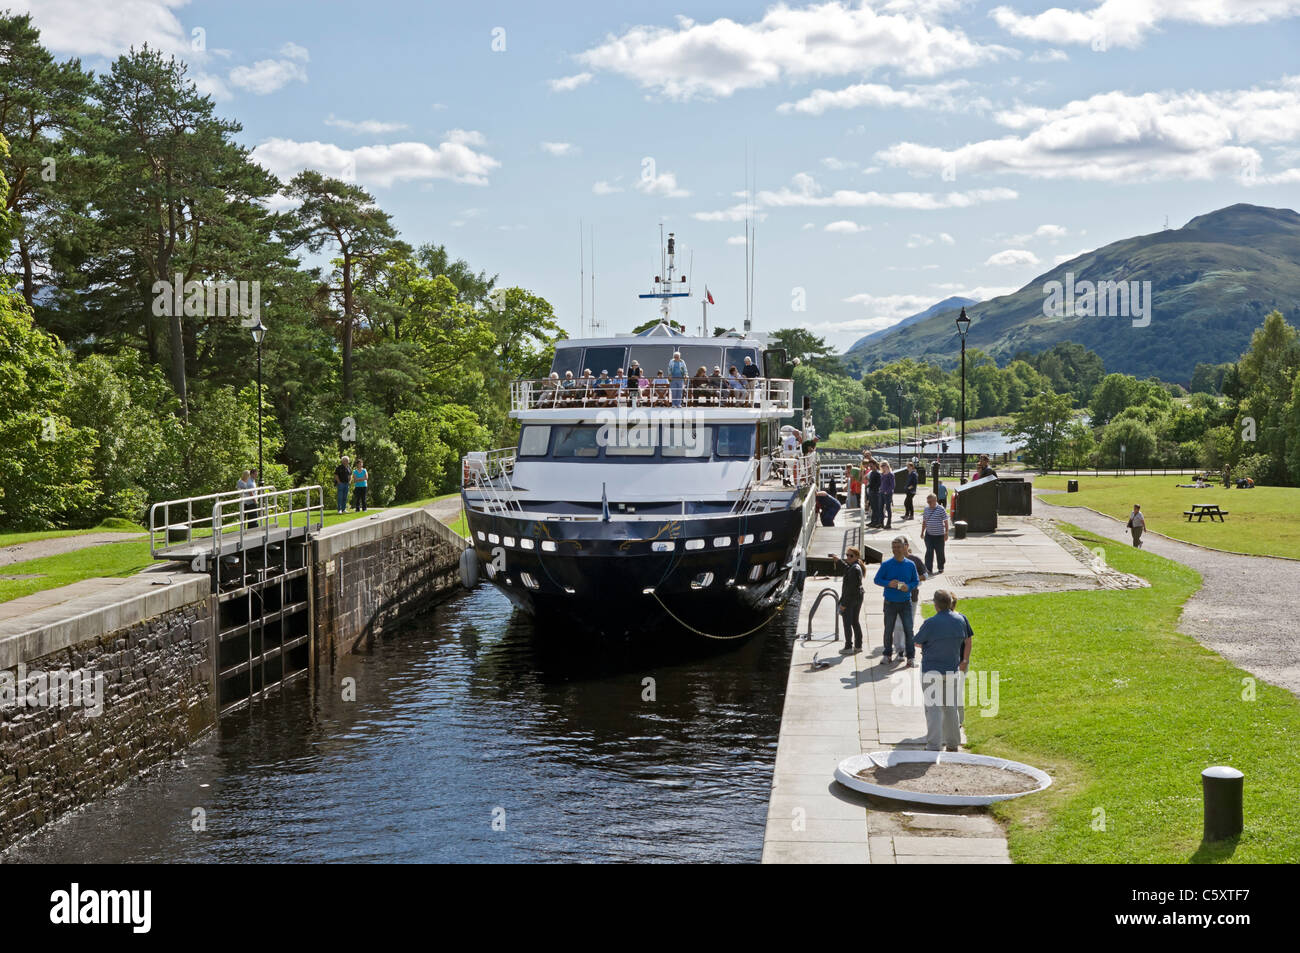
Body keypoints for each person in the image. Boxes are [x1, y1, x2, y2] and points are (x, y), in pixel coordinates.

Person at [913, 589, 972, 752]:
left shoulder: (931, 623)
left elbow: (917, 641)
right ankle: (953, 744)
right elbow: (966, 639)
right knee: (951, 708)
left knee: (933, 709)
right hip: (951, 670)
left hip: (931, 670)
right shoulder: (961, 619)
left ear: (936, 605)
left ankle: (933, 745)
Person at [874, 535, 921, 665]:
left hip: (906, 602)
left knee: (908, 629)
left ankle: (910, 657)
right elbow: (877, 580)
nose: (896, 549)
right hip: (890, 602)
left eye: (898, 547)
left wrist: (909, 587)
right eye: (894, 547)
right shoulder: (886, 564)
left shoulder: (910, 565)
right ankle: (887, 654)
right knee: (888, 630)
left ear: (904, 547)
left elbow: (915, 580)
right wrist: (889, 583)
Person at [829, 547, 865, 653]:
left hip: (851, 599)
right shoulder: (854, 566)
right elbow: (846, 568)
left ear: (857, 557)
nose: (848, 557)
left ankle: (848, 646)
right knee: (855, 621)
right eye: (847, 555)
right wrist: (838, 561)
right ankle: (858, 646)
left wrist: (844, 604)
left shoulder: (854, 569)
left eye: (851, 556)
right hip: (858, 597)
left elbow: (850, 590)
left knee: (847, 622)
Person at [921, 491, 950, 574]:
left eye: (930, 502)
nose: (928, 503)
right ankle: (928, 568)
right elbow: (924, 521)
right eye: (927, 502)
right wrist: (922, 532)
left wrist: (946, 533)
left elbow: (946, 521)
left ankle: (941, 567)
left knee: (940, 552)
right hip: (929, 535)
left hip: (939, 536)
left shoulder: (941, 509)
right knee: (929, 552)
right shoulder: (926, 509)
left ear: (935, 500)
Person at [880, 461, 896, 530]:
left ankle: (888, 523)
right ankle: (881, 522)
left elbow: (893, 486)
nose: (883, 467)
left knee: (888, 508)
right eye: (882, 466)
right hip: (881, 493)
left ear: (887, 466)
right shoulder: (882, 474)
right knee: (880, 508)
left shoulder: (891, 474)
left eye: (884, 465)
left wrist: (887, 491)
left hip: (888, 494)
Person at [867, 460, 883, 528]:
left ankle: (877, 522)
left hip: (875, 493)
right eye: (869, 466)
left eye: (871, 465)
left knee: (876, 508)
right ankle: (873, 521)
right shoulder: (872, 473)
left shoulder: (877, 473)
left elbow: (879, 484)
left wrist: (870, 486)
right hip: (871, 492)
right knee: (873, 508)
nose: (870, 467)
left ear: (875, 465)